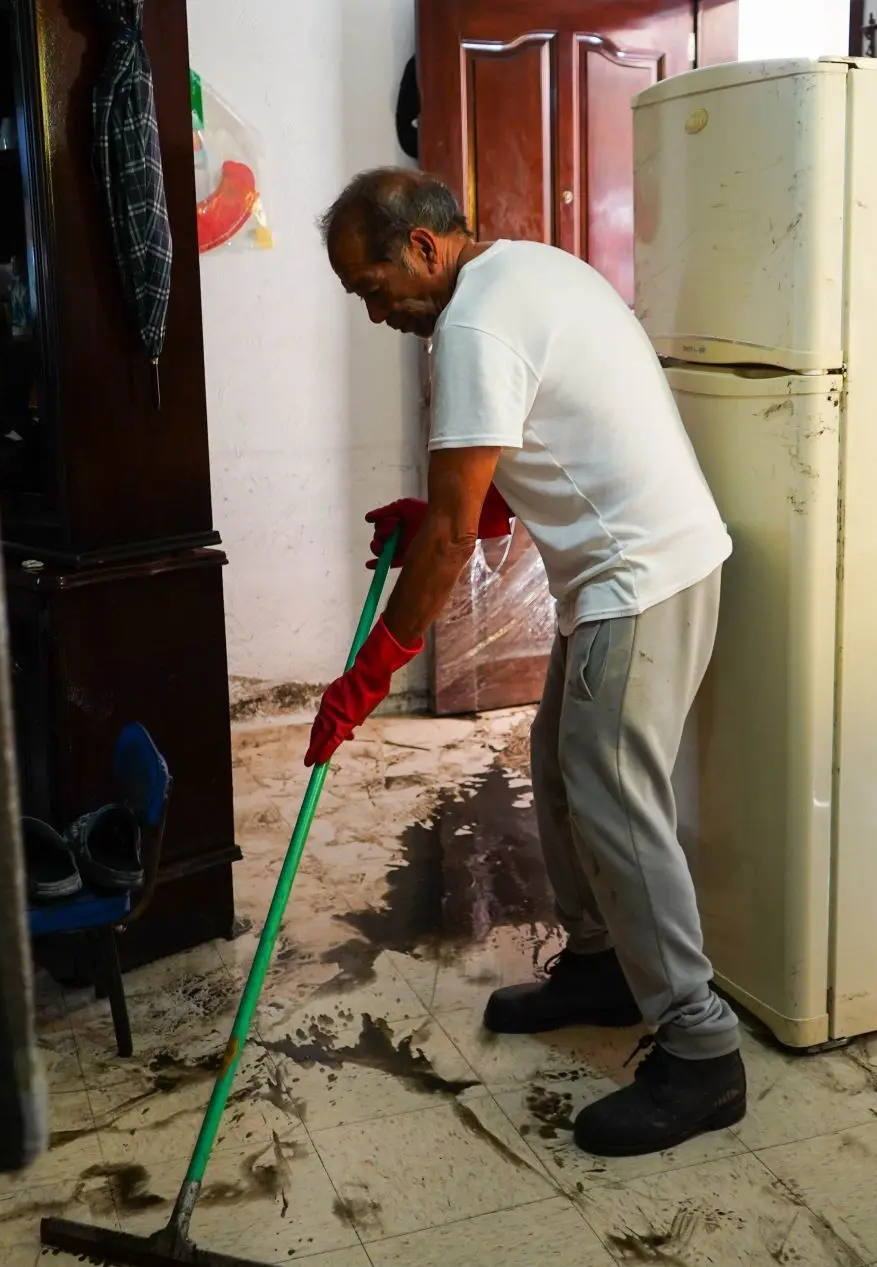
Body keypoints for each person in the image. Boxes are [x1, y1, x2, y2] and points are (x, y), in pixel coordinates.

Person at [309, 168, 745, 1156]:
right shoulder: (523, 271)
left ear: (422, 248)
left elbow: (459, 530)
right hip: (649, 566)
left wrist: (368, 676)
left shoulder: (472, 325)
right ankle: (600, 969)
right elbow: (515, 465)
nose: (377, 315)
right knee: (559, 773)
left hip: (640, 580)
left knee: (616, 810)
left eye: (374, 289)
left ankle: (702, 1051)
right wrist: (435, 516)